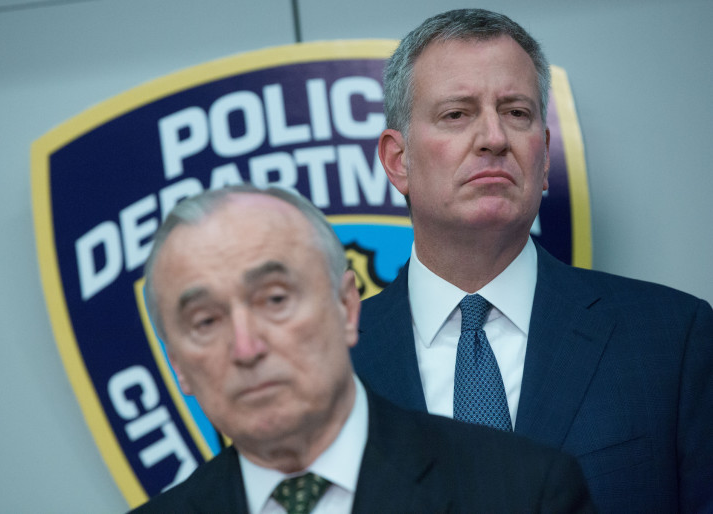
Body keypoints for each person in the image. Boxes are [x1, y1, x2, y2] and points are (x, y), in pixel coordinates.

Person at [351, 8, 713, 514]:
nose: (494, 138)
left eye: (516, 113)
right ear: (397, 160)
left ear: (544, 155)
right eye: (457, 114)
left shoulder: (675, 338)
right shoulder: (327, 366)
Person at [131, 184, 594, 513]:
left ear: (347, 306)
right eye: (205, 321)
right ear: (178, 365)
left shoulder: (523, 491)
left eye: (275, 300)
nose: (246, 348)